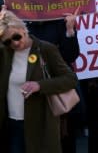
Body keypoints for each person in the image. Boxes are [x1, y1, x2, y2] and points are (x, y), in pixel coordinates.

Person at [0, 10, 78, 152]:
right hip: (11, 125)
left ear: (23, 29)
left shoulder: (45, 49)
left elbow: (70, 79)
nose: (15, 43)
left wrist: (39, 85)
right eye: (8, 41)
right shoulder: (5, 52)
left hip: (40, 125)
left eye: (16, 37)